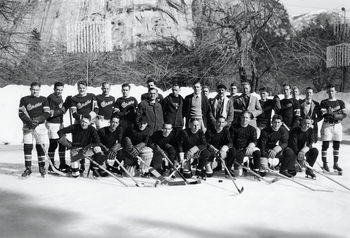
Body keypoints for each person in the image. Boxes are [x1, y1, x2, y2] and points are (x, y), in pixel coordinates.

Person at [18, 82, 50, 177]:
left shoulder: (43, 99)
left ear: (39, 89)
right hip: (27, 126)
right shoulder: (24, 99)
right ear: (30, 89)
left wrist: (38, 120)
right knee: (27, 146)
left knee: (40, 146)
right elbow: (21, 113)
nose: (35, 91)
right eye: (33, 89)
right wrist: (29, 122)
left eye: (37, 89)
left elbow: (47, 113)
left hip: (40, 126)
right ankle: (28, 168)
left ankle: (42, 167)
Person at [320, 84, 347, 172]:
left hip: (337, 125)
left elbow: (344, 115)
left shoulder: (340, 102)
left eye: (332, 91)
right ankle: (324, 164)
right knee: (325, 145)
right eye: (329, 91)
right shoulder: (324, 102)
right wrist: (337, 114)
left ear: (335, 91)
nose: (331, 93)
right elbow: (325, 115)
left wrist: (333, 114)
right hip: (327, 125)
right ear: (327, 92)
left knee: (336, 145)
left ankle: (335, 164)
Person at [227, 111, 261, 176]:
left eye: (247, 118)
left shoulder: (252, 129)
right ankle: (236, 166)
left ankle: (256, 171)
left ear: (250, 119)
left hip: (247, 149)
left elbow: (254, 140)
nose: (245, 119)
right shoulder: (234, 127)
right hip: (236, 149)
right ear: (241, 117)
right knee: (238, 174)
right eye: (243, 117)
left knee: (257, 151)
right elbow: (230, 140)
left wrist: (251, 145)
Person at [46, 82, 70, 173]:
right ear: (54, 89)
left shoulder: (59, 97)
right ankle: (51, 165)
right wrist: (65, 106)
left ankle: (62, 163)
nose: (59, 91)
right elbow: (51, 113)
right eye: (58, 89)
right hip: (52, 123)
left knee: (62, 144)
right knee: (53, 144)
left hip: (60, 123)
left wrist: (66, 106)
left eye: (61, 90)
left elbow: (61, 111)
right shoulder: (51, 98)